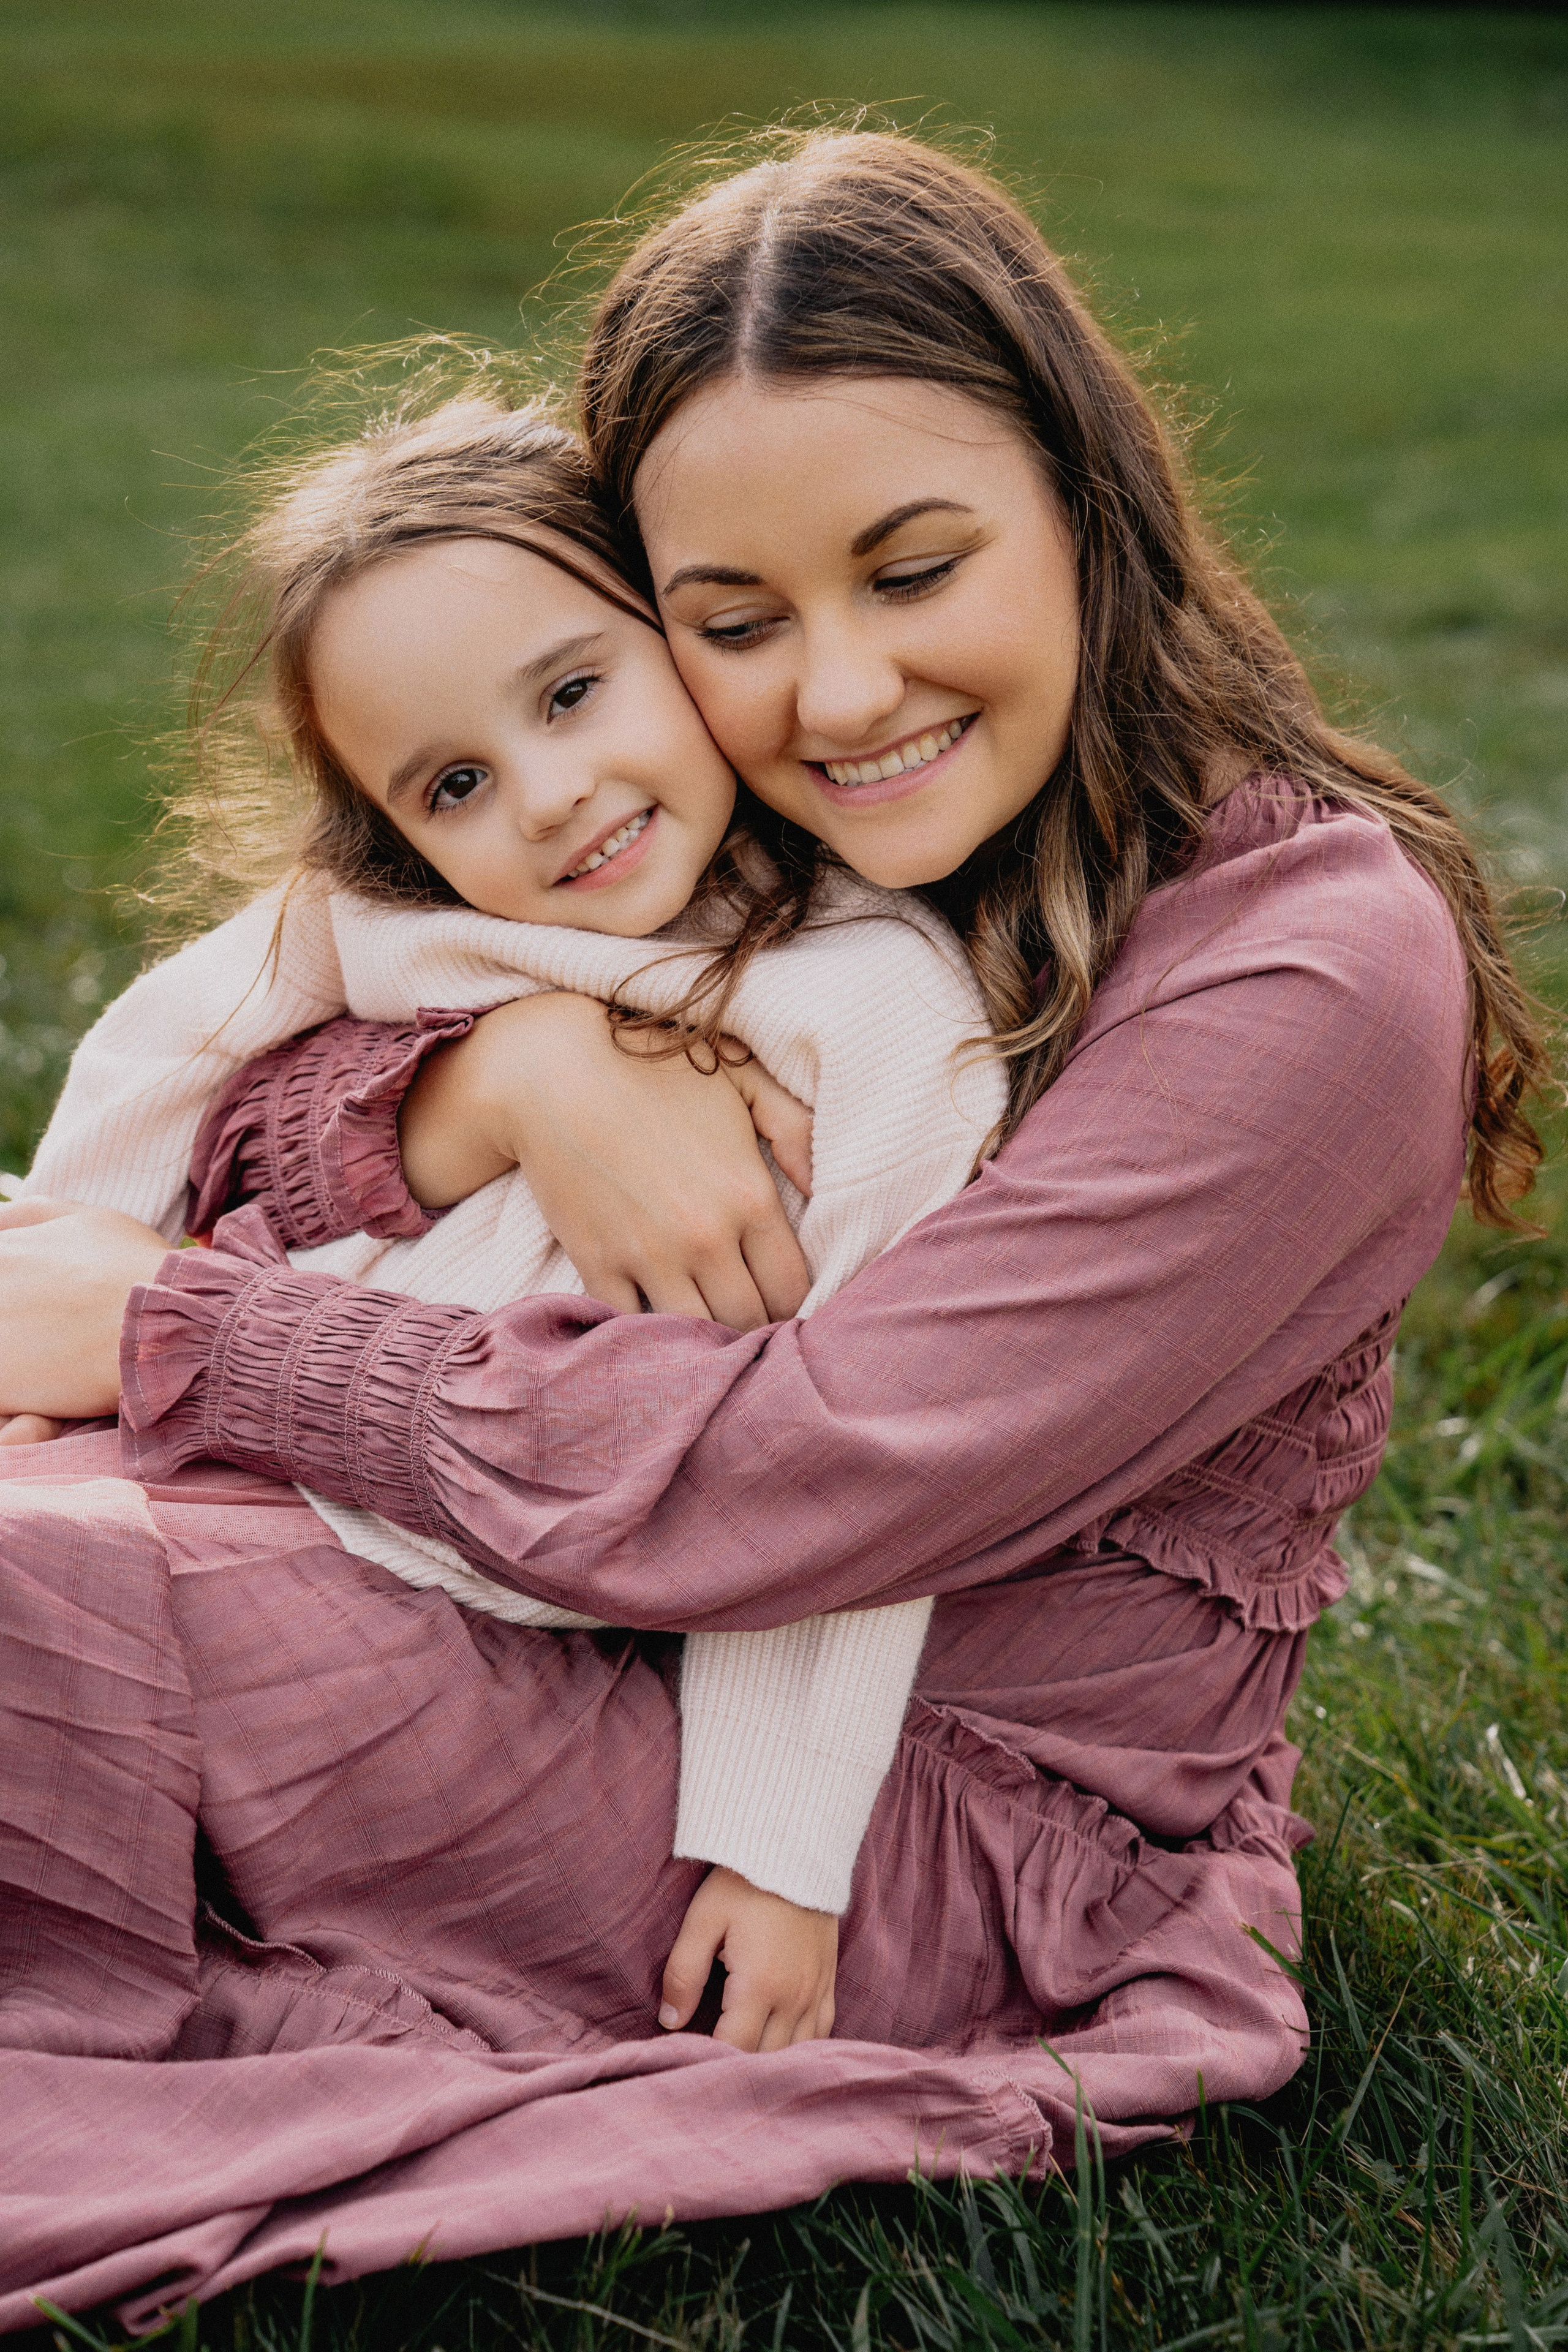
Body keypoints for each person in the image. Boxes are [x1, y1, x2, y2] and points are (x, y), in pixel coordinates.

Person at [0, 127, 1547, 2324]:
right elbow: (260, 1090)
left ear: (1088, 505)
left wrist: (185, 1337)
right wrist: (499, 1085)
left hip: (897, 1814)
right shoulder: (739, 839)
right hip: (542, 1601)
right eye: (733, 621)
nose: (835, 697)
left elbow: (805, 1475)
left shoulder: (1306, 972)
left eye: (916, 570)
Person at [14, 375, 1011, 2046]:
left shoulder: (880, 1014)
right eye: (453, 786)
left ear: (679, 629)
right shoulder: (386, 919)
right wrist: (51, 1287)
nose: (545, 795)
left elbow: (862, 1467)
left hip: (507, 1551)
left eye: (571, 693)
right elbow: (158, 1057)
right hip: (271, 1411)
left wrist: (779, 1851)